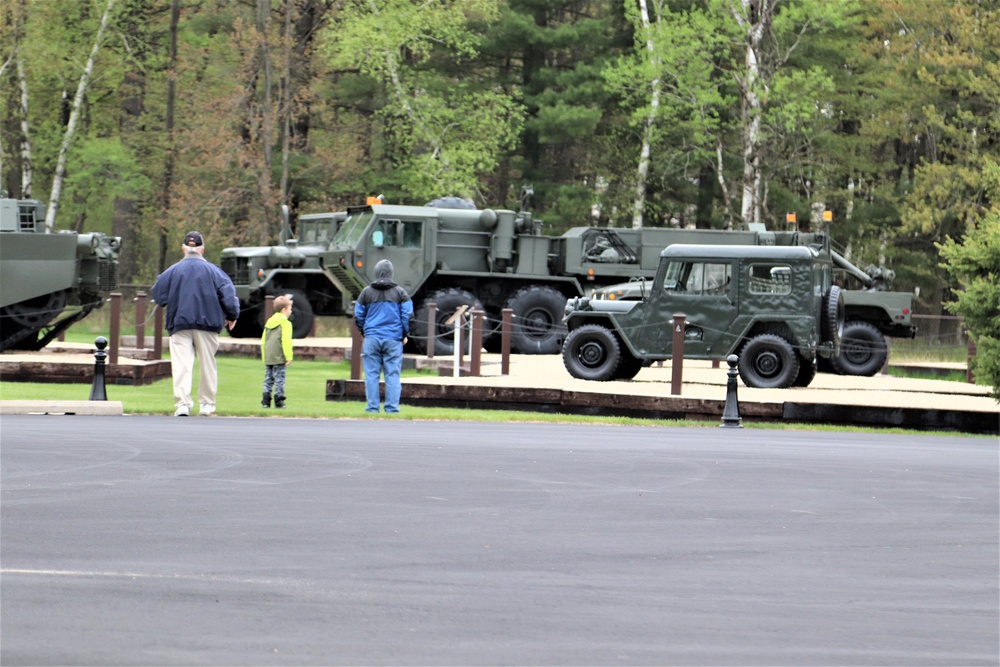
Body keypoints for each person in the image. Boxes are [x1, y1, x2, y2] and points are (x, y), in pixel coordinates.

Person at [151, 231, 240, 417]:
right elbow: (229, 295)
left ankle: (183, 403)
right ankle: (206, 403)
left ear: (184, 248)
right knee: (208, 364)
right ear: (202, 249)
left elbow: (158, 294)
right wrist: (232, 314)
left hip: (179, 322)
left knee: (182, 364)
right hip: (208, 323)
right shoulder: (215, 272)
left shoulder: (173, 271)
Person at [354, 259, 413, 413]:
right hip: (393, 339)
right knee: (392, 374)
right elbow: (407, 315)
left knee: (371, 375)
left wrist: (364, 332)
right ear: (391, 273)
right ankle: (392, 409)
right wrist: (404, 334)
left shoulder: (366, 292)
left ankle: (372, 408)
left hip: (372, 338)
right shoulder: (400, 292)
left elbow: (358, 315)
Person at [261, 294, 293, 409]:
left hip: (269, 356)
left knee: (268, 379)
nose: (291, 311)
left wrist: (265, 356)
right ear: (284, 310)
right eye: (290, 308)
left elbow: (264, 340)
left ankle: (265, 401)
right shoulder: (286, 323)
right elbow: (286, 341)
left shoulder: (269, 322)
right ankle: (279, 401)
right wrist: (288, 356)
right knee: (280, 379)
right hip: (279, 356)